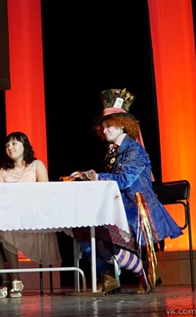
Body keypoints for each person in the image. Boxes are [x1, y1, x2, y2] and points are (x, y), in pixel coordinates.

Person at [67, 88, 183, 294]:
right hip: (117, 207)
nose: (104, 130)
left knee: (104, 237)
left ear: (122, 124)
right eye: (103, 126)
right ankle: (108, 276)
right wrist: (86, 177)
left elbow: (124, 181)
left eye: (109, 125)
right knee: (82, 230)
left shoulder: (134, 150)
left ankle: (145, 273)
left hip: (136, 211)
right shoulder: (114, 150)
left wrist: (96, 176)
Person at [0, 132, 62, 299]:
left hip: (31, 217)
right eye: (7, 145)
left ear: (24, 145)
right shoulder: (3, 171)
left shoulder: (36, 165)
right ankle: (8, 278)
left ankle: (15, 279)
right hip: (8, 217)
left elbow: (45, 193)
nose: (10, 147)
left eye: (14, 144)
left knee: (8, 232)